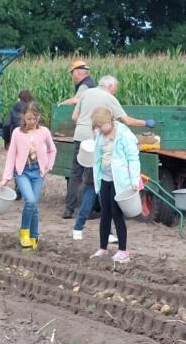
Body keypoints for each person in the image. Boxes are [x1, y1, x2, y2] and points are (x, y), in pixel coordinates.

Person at [71, 76, 154, 240]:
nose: (115, 91)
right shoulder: (109, 98)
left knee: (89, 183)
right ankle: (91, 229)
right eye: (115, 88)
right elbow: (126, 120)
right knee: (96, 187)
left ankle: (78, 224)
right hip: (97, 143)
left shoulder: (86, 93)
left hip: (81, 141)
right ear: (110, 86)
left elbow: (74, 117)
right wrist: (146, 123)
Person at [0, 102, 56, 249]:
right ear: (23, 117)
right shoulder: (17, 133)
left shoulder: (44, 132)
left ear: (39, 117)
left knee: (34, 205)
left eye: (34, 118)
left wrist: (48, 167)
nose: (31, 121)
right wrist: (6, 178)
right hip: (22, 172)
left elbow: (52, 150)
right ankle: (24, 232)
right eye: (29, 118)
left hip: (38, 172)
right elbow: (11, 155)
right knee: (30, 201)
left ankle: (34, 236)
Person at [88, 107, 141, 263]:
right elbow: (97, 158)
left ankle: (123, 251)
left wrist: (133, 180)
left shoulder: (124, 135)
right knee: (105, 214)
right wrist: (98, 181)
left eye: (101, 125)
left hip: (121, 181)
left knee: (117, 214)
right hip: (105, 179)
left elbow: (133, 158)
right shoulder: (99, 136)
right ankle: (103, 248)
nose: (99, 129)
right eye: (97, 126)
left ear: (109, 121)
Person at [61, 60, 98, 218]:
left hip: (80, 135)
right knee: (89, 175)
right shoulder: (92, 87)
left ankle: (68, 209)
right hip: (90, 136)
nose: (72, 76)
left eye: (73, 72)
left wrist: (62, 104)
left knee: (76, 173)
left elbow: (76, 103)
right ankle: (87, 210)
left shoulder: (85, 86)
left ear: (79, 72)